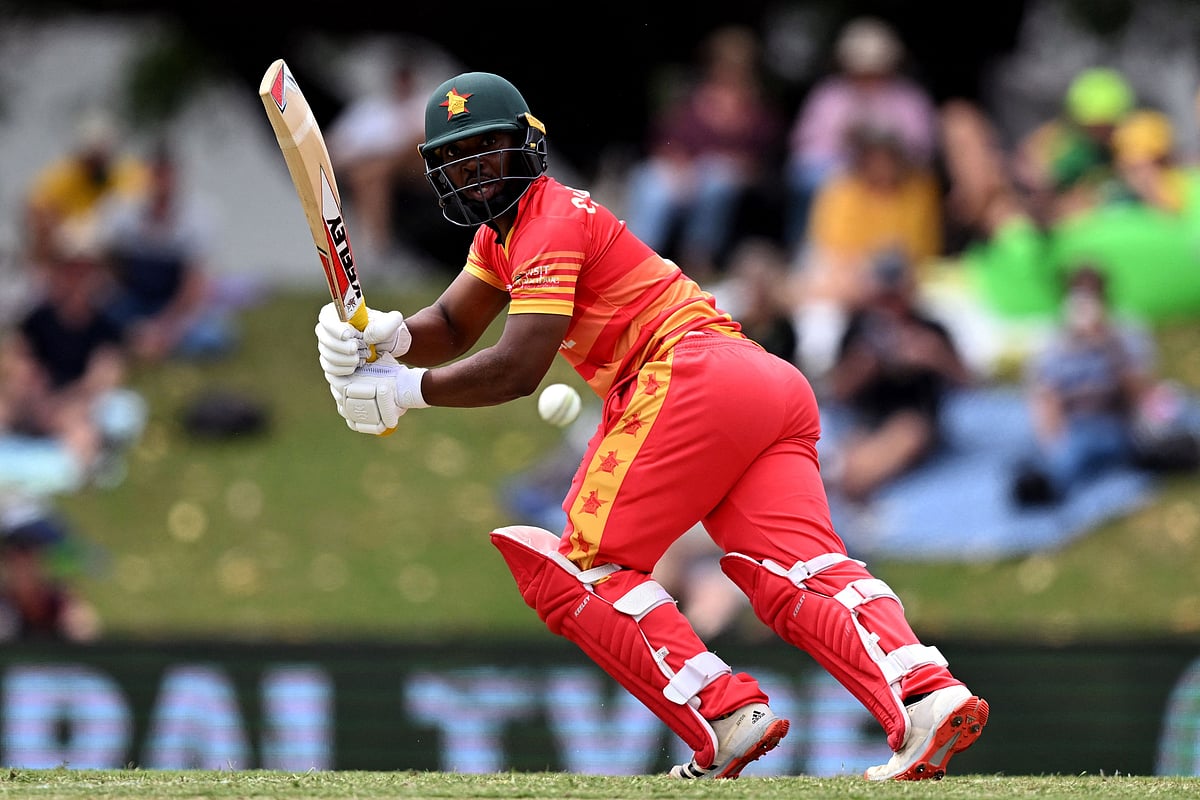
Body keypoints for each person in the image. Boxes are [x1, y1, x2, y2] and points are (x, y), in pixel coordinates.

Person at [314, 71, 987, 781]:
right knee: (794, 573)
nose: (475, 172)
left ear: (527, 147)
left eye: (488, 152)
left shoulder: (548, 220)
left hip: (681, 376)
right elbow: (453, 325)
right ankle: (925, 695)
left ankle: (721, 716)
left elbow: (518, 366)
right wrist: (385, 335)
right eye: (458, 159)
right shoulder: (501, 238)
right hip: (760, 384)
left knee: (578, 570)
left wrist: (406, 393)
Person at [621, 25, 787, 282]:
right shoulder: (692, 99)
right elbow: (665, 138)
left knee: (716, 179)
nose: (729, 70)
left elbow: (762, 155)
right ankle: (637, 260)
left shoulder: (757, 109)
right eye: (723, 63)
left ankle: (698, 258)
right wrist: (679, 167)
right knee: (650, 179)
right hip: (684, 170)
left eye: (737, 65)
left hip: (723, 176)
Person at [823, 251, 973, 503]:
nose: (889, 306)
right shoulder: (858, 331)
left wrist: (936, 357)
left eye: (894, 297)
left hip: (918, 422)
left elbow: (968, 385)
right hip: (867, 421)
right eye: (883, 298)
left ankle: (849, 491)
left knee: (904, 436)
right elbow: (837, 393)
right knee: (849, 449)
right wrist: (863, 366)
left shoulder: (931, 329)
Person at [783, 16, 938, 254]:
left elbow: (923, 149)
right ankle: (808, 253)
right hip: (836, 178)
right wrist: (845, 149)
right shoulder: (828, 96)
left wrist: (884, 155)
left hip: (894, 179)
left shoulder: (909, 99)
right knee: (819, 182)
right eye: (861, 69)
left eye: (875, 69)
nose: (867, 76)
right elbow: (803, 147)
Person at [1011, 266, 1162, 506]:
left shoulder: (1126, 333)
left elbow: (1140, 393)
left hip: (1117, 423)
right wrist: (1054, 443)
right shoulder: (1052, 343)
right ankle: (1045, 482)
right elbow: (1044, 400)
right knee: (1074, 451)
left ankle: (1048, 481)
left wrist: (1108, 345)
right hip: (1076, 427)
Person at [96, 144, 237, 362]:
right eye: (156, 175)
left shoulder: (199, 217)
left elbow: (193, 286)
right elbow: (107, 268)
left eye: (166, 176)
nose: (161, 184)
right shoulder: (121, 213)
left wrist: (164, 325)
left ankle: (153, 344)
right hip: (134, 300)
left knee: (213, 337)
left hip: (173, 301)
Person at [23, 109, 150, 268]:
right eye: (92, 157)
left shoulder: (129, 174)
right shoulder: (62, 176)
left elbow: (136, 212)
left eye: (101, 155)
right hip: (67, 247)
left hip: (111, 249)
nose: (97, 162)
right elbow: (35, 209)